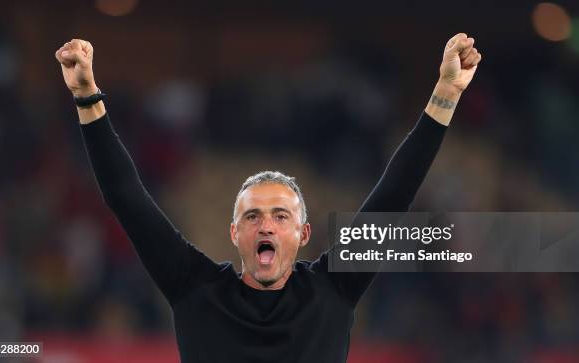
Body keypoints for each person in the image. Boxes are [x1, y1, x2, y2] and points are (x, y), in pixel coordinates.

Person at [55, 33, 481, 363]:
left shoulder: (334, 288)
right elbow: (126, 197)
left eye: (280, 215)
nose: (266, 225)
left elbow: (395, 193)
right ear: (235, 232)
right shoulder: (194, 288)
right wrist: (87, 96)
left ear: (303, 233)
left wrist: (445, 94)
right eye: (254, 216)